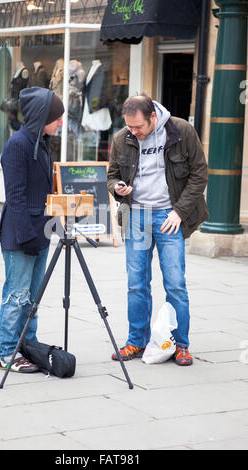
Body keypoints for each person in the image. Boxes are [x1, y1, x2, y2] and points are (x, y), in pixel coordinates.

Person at [107, 93, 209, 366]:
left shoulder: (181, 131)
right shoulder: (122, 138)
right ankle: (136, 342)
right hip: (136, 215)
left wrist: (180, 211)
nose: (134, 132)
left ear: (153, 116)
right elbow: (112, 174)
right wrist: (118, 188)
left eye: (138, 127)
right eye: (130, 127)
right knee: (136, 284)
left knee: (175, 283)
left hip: (168, 216)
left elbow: (200, 173)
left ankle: (181, 345)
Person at [0, 86, 64, 373]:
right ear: (40, 117)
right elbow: (16, 196)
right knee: (17, 294)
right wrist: (27, 237)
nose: (61, 122)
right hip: (21, 233)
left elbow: (44, 193)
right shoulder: (18, 145)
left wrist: (53, 225)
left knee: (33, 296)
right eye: (56, 118)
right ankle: (7, 351)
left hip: (41, 231)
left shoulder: (42, 142)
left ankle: (28, 343)